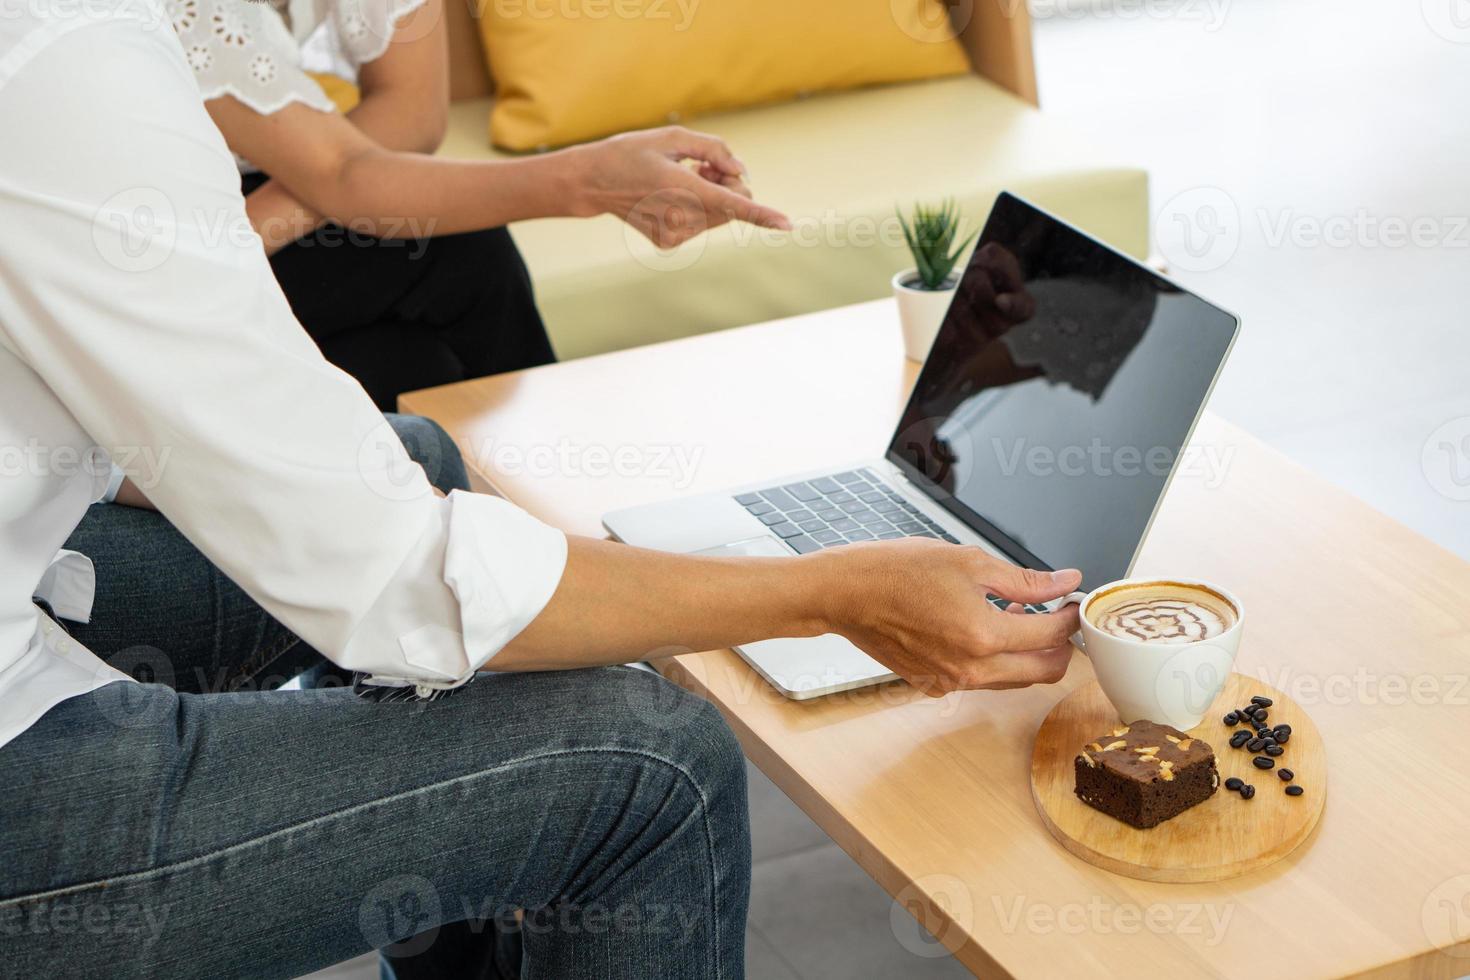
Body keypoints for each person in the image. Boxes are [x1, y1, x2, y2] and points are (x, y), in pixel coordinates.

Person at [0, 2, 1083, 977]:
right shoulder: (69, 64)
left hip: (38, 574)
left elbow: (334, 173)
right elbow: (394, 577)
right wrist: (835, 592)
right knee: (658, 765)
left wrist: (585, 179)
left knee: (416, 455)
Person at [171, 0, 790, 408]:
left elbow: (409, 113)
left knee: (409, 368)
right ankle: (566, 523)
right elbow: (341, 169)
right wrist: (593, 180)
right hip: (147, 239)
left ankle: (520, 552)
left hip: (247, 210)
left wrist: (263, 225)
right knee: (458, 249)